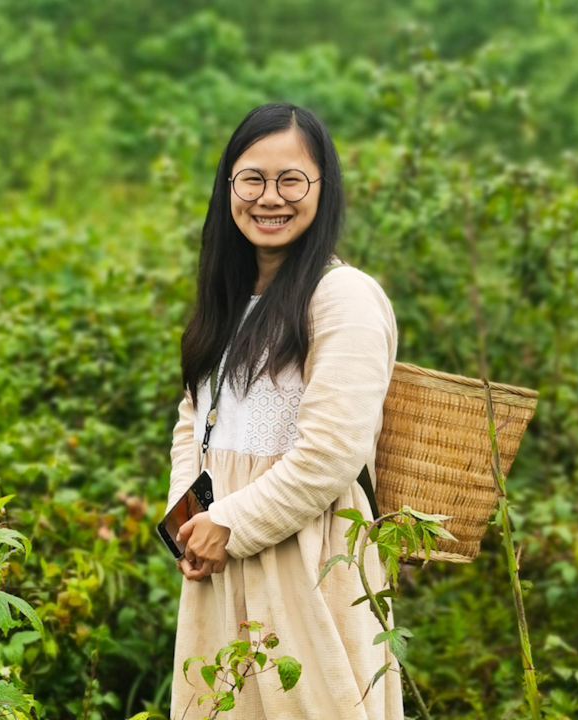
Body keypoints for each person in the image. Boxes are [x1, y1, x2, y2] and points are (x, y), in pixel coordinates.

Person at [166, 103, 403, 719]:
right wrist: (186, 527)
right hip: (220, 559)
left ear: (323, 189)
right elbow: (194, 421)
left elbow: (333, 452)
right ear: (229, 188)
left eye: (291, 180)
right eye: (252, 179)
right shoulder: (229, 299)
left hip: (304, 557)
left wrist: (233, 524)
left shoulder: (342, 295)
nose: (270, 198)